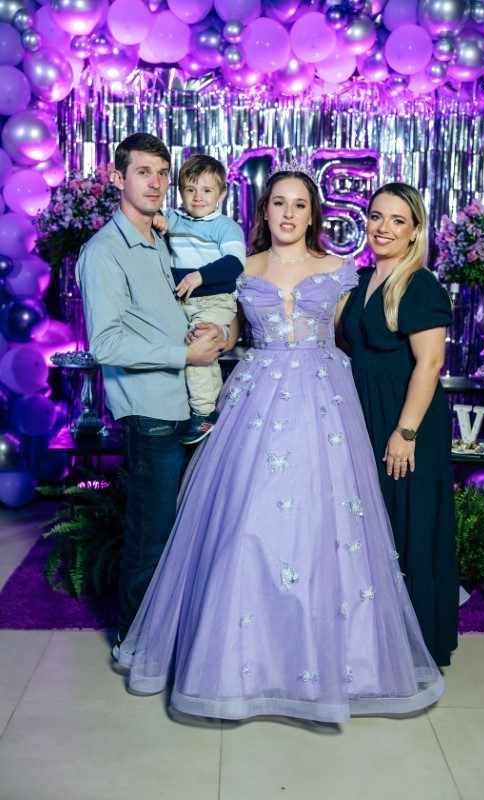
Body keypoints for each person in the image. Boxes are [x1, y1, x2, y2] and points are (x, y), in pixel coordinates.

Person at [117, 163, 444, 723]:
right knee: (246, 522)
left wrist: (401, 420)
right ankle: (239, 663)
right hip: (257, 396)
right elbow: (232, 330)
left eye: (299, 204)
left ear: (313, 214)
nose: (288, 213)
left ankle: (334, 662)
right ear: (264, 211)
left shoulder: (341, 270)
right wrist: (217, 333)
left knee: (327, 523)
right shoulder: (242, 268)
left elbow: (357, 338)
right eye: (278, 203)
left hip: (324, 399)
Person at [75, 133, 229, 659]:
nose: (157, 183)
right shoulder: (104, 252)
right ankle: (135, 643)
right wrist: (184, 355)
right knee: (152, 533)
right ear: (118, 178)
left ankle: (165, 634)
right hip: (151, 412)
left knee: (186, 528)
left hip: (186, 405)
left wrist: (215, 333)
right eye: (144, 172)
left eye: (163, 173)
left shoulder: (164, 238)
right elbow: (105, 343)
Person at [341, 182, 458, 667]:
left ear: (414, 232)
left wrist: (405, 433)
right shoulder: (360, 279)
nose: (383, 228)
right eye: (376, 216)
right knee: (373, 523)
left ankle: (414, 647)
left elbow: (430, 363)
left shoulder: (420, 285)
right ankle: (372, 641)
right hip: (365, 415)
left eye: (397, 220)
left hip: (406, 421)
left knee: (408, 522)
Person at [157, 154, 246, 445]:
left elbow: (234, 263)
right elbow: (153, 224)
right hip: (182, 303)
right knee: (190, 356)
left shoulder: (225, 227)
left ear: (221, 194)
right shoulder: (174, 219)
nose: (198, 197)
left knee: (198, 349)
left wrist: (200, 276)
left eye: (207, 190)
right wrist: (155, 218)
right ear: (180, 191)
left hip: (214, 301)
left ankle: (204, 412)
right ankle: (209, 405)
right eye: (190, 189)